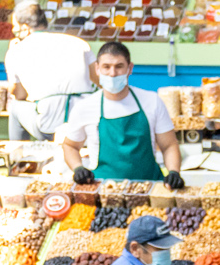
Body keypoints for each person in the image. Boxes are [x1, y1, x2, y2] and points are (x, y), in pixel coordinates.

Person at [62, 41, 183, 185]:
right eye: (106, 67)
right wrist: (78, 168)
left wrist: (174, 171)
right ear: (97, 68)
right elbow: (70, 146)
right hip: (104, 189)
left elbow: (169, 145)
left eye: (119, 67)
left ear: (129, 68)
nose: (112, 74)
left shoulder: (151, 101)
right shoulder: (85, 107)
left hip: (149, 187)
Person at [4, 1, 95, 142]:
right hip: (85, 124)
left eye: (15, 27)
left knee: (16, 107)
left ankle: (18, 158)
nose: (14, 31)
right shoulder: (79, 43)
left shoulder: (16, 51)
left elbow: (19, 94)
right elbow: (98, 79)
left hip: (49, 128)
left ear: (25, 27)